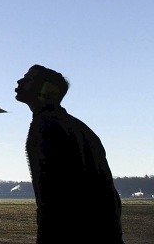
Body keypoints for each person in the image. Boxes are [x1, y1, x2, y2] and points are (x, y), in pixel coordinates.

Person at [15, 64, 124, 243]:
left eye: (28, 79)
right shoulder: (81, 128)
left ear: (47, 90)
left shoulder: (45, 126)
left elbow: (51, 195)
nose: (20, 81)